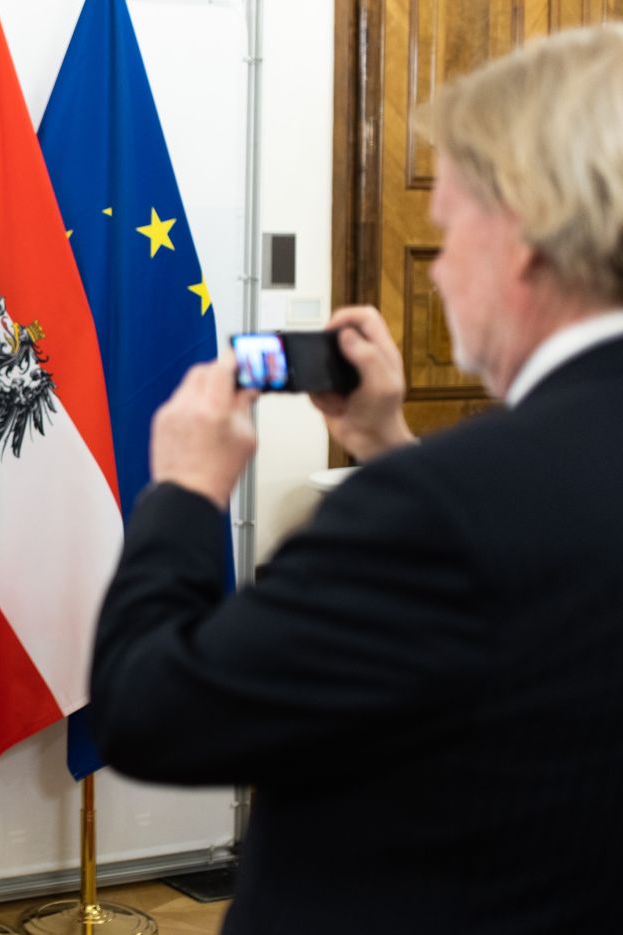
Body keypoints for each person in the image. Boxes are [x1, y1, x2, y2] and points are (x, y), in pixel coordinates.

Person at [89, 25, 623, 935]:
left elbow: (151, 710)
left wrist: (183, 489)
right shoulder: (472, 498)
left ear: (525, 237)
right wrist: (390, 442)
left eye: (450, 228)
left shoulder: (436, 514)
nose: (439, 268)